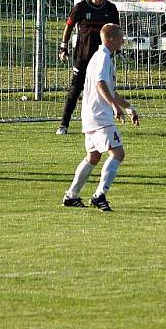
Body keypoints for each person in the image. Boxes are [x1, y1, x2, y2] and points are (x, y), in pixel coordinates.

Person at [62, 23, 139, 211]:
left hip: (90, 115)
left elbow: (110, 90)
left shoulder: (101, 57)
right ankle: (99, 195)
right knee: (118, 153)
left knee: (93, 157)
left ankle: (71, 195)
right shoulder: (103, 56)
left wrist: (128, 108)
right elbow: (100, 84)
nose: (123, 41)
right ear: (111, 39)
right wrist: (114, 107)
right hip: (99, 116)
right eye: (121, 38)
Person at [56, 0, 119, 135]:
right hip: (83, 57)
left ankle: (105, 123)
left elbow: (116, 32)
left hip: (102, 58)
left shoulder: (111, 9)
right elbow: (69, 26)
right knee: (75, 89)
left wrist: (117, 50)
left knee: (105, 89)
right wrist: (63, 47)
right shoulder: (81, 7)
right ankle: (64, 124)